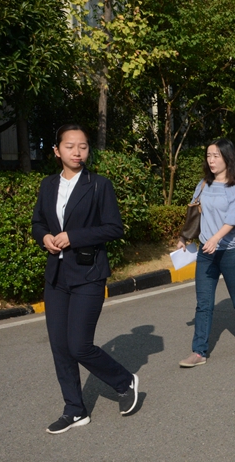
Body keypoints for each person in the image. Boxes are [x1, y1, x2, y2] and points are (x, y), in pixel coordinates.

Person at [32, 124, 139, 434]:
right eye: (70, 146)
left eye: (83, 146)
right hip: (56, 275)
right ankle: (75, 410)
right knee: (60, 347)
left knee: (79, 345)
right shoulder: (48, 185)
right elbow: (38, 222)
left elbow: (114, 228)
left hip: (88, 273)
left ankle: (124, 381)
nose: (77, 152)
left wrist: (73, 236)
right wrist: (45, 237)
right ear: (57, 151)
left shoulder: (98, 185)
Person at [178, 139, 235, 367]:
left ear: (227, 158)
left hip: (231, 251)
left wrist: (216, 238)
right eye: (208, 155)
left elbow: (234, 219)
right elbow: (194, 213)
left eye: (216, 155)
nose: (211, 160)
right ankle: (199, 352)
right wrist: (184, 238)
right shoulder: (204, 184)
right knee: (203, 303)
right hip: (207, 251)